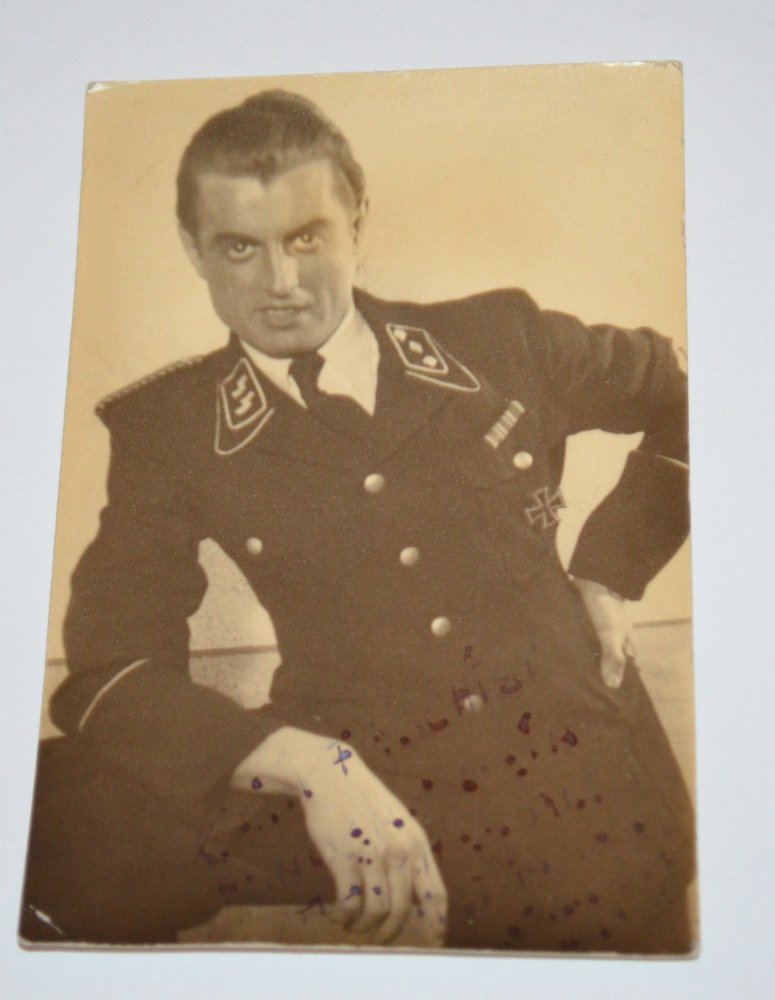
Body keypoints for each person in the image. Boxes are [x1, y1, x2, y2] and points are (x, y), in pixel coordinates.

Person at [20, 89, 694, 952]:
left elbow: (699, 392)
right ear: (193, 249)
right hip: (401, 831)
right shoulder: (170, 433)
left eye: (307, 238)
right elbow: (110, 670)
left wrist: (611, 568)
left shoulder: (500, 339)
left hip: (599, 804)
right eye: (239, 247)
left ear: (357, 221)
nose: (281, 284)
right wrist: (305, 762)